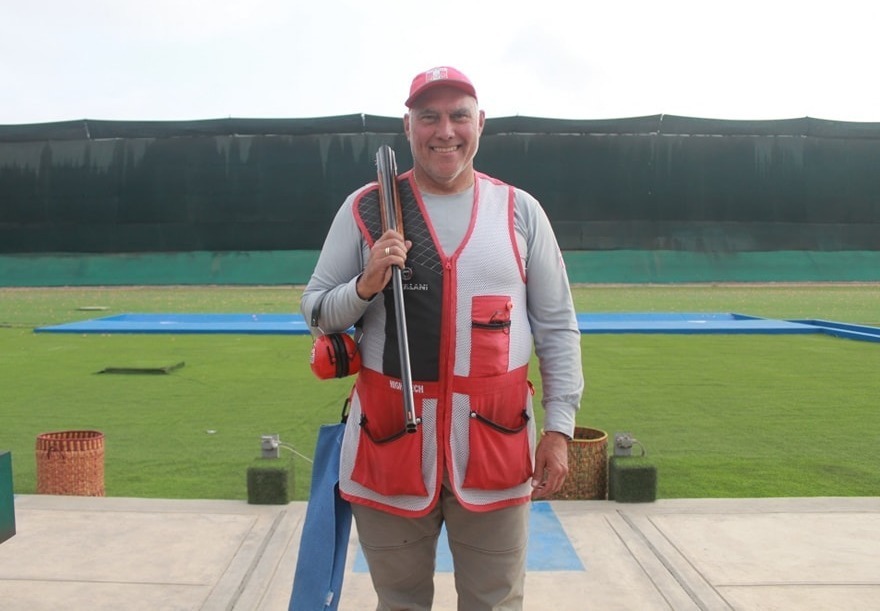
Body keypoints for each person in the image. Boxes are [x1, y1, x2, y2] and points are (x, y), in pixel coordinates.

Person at [301, 66, 584, 611]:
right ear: (408, 127)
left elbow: (557, 326)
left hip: (497, 448)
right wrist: (364, 287)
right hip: (390, 446)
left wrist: (560, 429)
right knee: (400, 602)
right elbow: (316, 312)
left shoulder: (520, 211)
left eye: (458, 115)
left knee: (496, 602)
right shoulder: (367, 208)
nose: (444, 130)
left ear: (481, 123)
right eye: (428, 116)